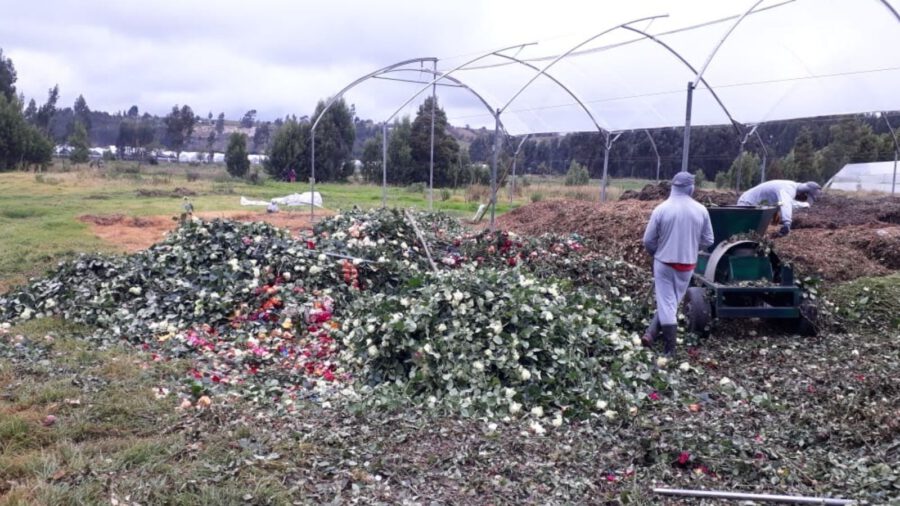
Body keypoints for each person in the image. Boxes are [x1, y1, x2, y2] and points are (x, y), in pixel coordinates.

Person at [641, 172, 714, 356]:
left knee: (667, 304)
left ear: (672, 187)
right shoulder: (701, 210)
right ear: (691, 188)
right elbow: (708, 240)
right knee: (671, 302)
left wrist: (656, 254)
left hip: (664, 263)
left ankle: (670, 350)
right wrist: (690, 246)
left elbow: (648, 240)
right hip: (687, 265)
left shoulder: (661, 209)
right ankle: (650, 334)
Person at [737, 180, 822, 237]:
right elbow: (786, 204)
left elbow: (786, 203)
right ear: (804, 193)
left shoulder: (791, 187)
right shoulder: (789, 189)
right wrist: (787, 224)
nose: (802, 199)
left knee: (752, 233)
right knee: (742, 232)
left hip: (755, 205)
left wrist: (806, 204)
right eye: (805, 198)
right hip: (747, 203)